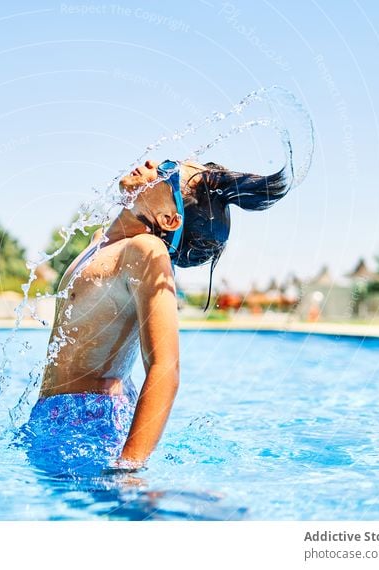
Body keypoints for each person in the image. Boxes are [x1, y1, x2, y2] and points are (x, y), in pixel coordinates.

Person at [21, 158, 290, 475]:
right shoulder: (100, 244)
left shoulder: (146, 251)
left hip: (88, 422)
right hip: (56, 417)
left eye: (167, 172)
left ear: (168, 219)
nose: (151, 163)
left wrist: (127, 469)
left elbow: (166, 368)